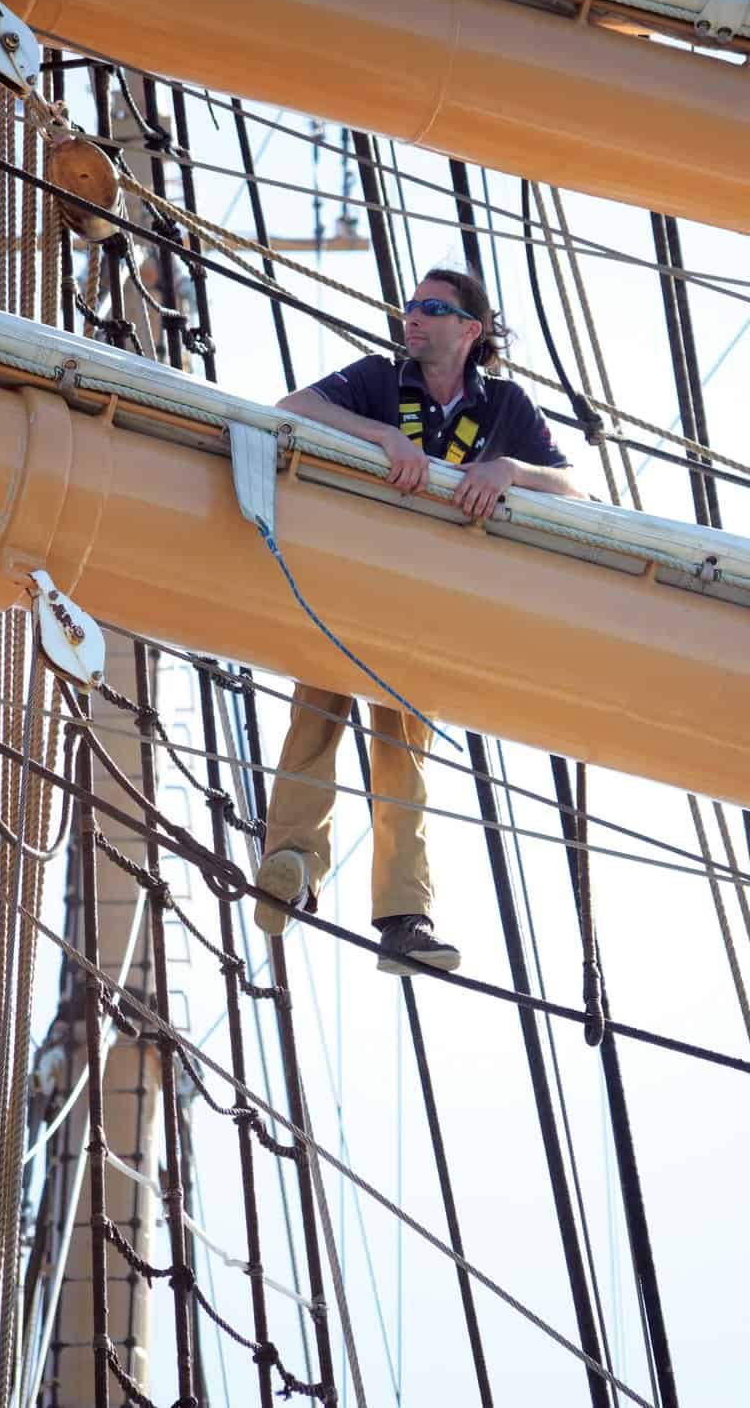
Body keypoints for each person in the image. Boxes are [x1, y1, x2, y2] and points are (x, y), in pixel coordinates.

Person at [255, 268, 583, 974]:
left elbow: (574, 489)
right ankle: (289, 868)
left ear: (471, 331)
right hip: (352, 575)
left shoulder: (506, 408)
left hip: (427, 598)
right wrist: (384, 437)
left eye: (432, 310)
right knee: (315, 713)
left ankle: (404, 921)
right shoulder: (380, 379)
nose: (414, 319)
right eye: (410, 307)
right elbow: (294, 406)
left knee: (403, 757)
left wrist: (509, 473)